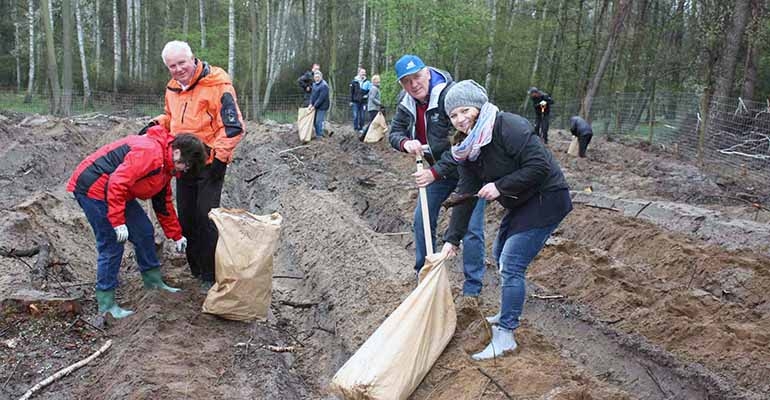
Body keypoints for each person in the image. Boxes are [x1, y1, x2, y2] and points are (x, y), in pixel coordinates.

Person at [440, 80, 572, 360]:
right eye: (454, 115)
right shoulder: (468, 148)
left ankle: (506, 336)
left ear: (478, 106)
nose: (461, 119)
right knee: (500, 255)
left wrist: (500, 186)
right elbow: (465, 194)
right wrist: (452, 240)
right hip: (521, 201)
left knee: (512, 263)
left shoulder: (507, 126)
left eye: (465, 110)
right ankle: (505, 311)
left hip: (547, 196)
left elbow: (540, 165)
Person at [67, 126, 207, 319]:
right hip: (94, 188)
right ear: (177, 152)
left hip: (118, 191)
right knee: (112, 243)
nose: (185, 171)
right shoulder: (150, 153)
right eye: (187, 165)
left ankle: (154, 282)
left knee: (143, 232)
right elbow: (117, 182)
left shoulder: (166, 167)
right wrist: (117, 222)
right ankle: (106, 304)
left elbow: (163, 202)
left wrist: (176, 235)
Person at [140, 40, 245, 292]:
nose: (178, 69)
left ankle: (210, 273)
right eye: (172, 66)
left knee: (205, 217)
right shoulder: (173, 88)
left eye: (181, 63)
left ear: (193, 59)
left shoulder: (218, 84)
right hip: (182, 163)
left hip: (209, 163)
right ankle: (195, 269)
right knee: (186, 218)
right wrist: (155, 124)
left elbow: (232, 126)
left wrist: (219, 159)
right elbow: (171, 117)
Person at [388, 55, 486, 301]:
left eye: (417, 77)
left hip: (469, 170)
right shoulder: (406, 102)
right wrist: (405, 142)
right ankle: (424, 276)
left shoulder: (450, 96)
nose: (414, 85)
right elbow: (394, 132)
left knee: (471, 228)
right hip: (439, 172)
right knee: (422, 219)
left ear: (428, 73)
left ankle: (472, 290)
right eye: (406, 81)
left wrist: (433, 173)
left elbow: (462, 145)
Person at [308, 70, 330, 139]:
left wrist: (314, 106)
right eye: (315, 77)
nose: (316, 78)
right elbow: (312, 95)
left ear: (321, 77)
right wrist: (311, 103)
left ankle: (319, 136)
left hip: (322, 106)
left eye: (318, 77)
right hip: (316, 105)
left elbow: (321, 98)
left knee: (318, 121)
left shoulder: (324, 86)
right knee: (314, 121)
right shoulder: (314, 84)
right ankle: (320, 133)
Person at [350, 67, 370, 133]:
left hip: (363, 102)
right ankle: (355, 128)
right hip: (355, 101)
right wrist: (351, 101)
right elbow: (351, 92)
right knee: (355, 115)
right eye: (362, 72)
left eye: (364, 73)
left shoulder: (367, 82)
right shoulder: (354, 82)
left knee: (362, 116)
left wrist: (366, 95)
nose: (363, 74)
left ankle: (361, 128)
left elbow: (369, 91)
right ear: (359, 73)